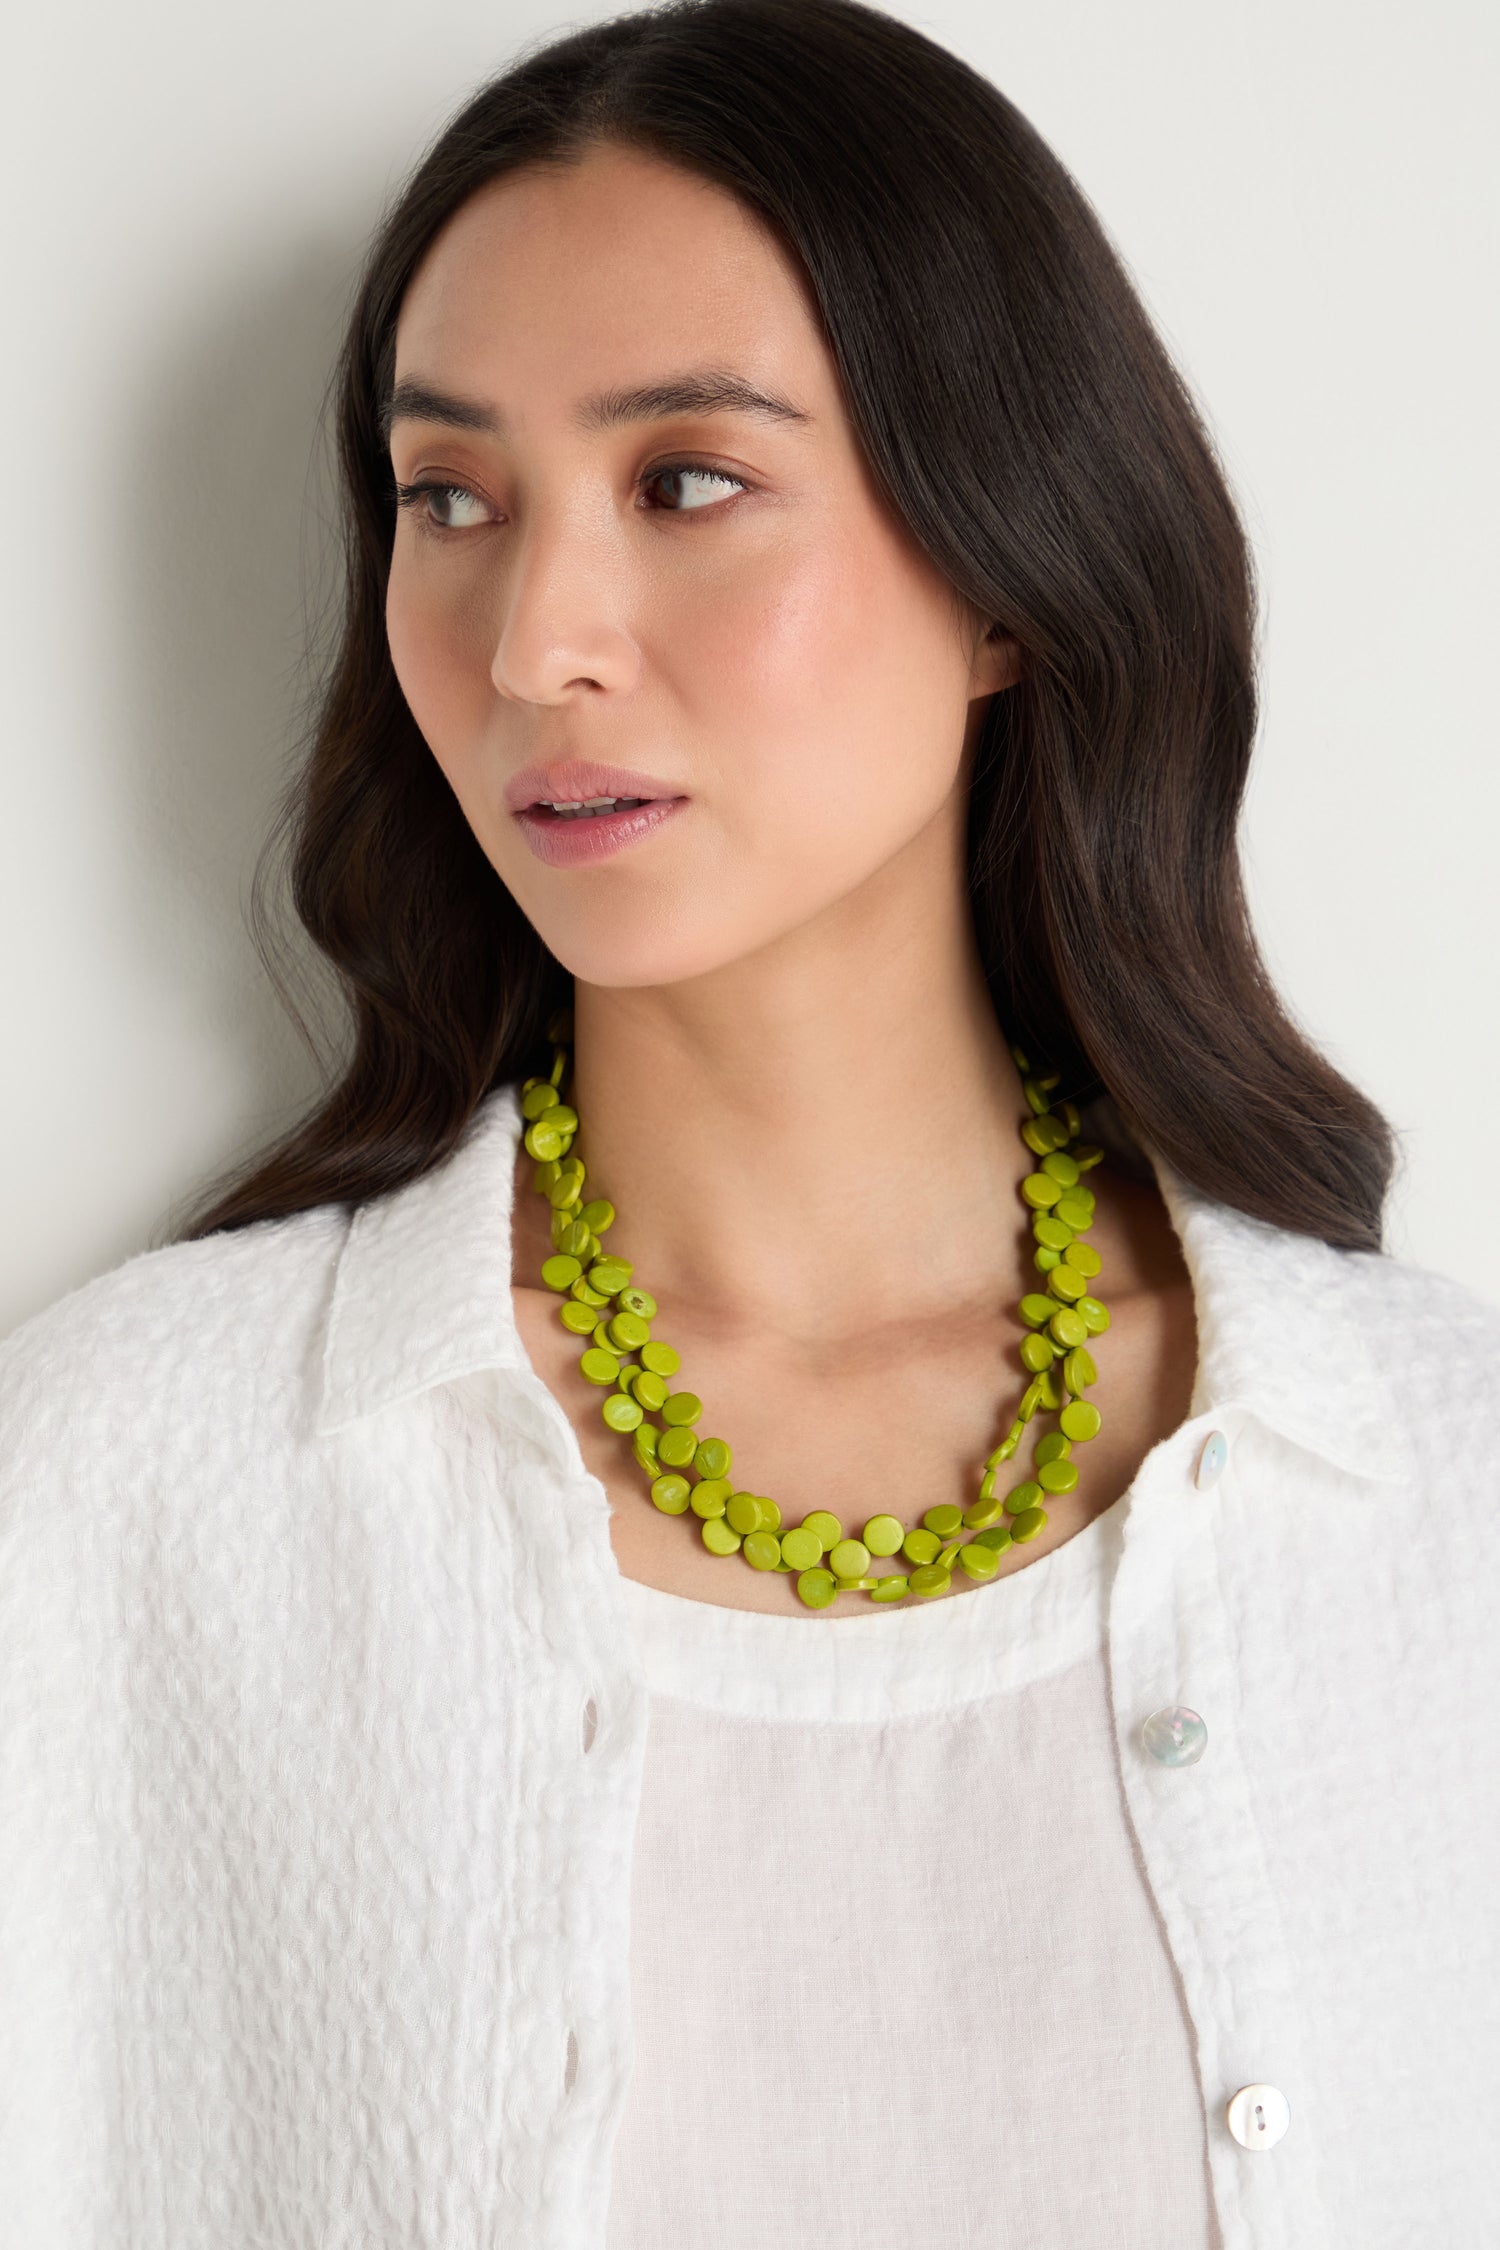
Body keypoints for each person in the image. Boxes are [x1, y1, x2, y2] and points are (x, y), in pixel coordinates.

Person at [2, 0, 1496, 2243]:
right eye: (450, 501)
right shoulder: (143, 1486)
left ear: (1008, 568)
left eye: (686, 480)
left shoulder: (1438, 1496)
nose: (533, 641)